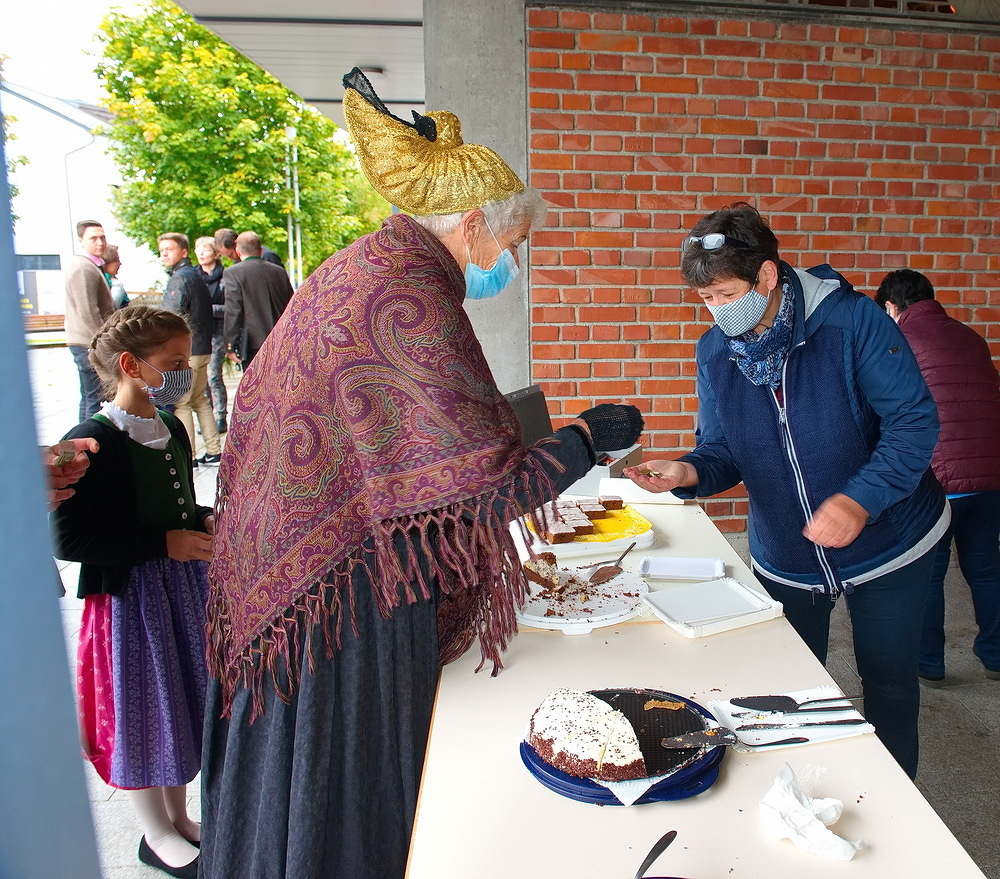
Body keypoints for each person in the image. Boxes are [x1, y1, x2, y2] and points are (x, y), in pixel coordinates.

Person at [199, 67, 644, 879]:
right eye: (512, 246)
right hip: (339, 594)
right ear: (472, 225)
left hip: (293, 566)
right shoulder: (411, 295)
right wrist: (586, 437)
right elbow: (488, 490)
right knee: (346, 780)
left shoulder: (369, 264)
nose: (512, 264)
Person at [624, 202, 947, 779]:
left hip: (892, 541)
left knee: (888, 679)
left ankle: (898, 796)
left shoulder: (851, 322)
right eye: (706, 299)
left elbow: (913, 422)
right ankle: (797, 791)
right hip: (787, 553)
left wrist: (859, 499)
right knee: (791, 685)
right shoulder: (715, 352)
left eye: (727, 294)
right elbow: (722, 449)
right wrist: (687, 472)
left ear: (768, 275)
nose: (718, 310)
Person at [51, 305, 214, 879]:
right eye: (173, 361)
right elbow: (68, 537)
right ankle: (154, 832)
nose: (184, 371)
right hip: (130, 601)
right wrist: (162, 543)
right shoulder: (90, 442)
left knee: (178, 702)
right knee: (142, 707)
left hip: (180, 591)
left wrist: (201, 519)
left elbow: (178, 500)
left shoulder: (170, 426)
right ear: (130, 364)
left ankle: (179, 817)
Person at [876, 269, 1000, 685]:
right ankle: (995, 656)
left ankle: (928, 663)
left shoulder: (897, 340)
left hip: (939, 479)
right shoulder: (972, 338)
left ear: (890, 307)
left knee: (928, 575)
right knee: (985, 567)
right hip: (990, 475)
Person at [158, 232, 222, 465]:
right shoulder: (195, 275)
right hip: (202, 347)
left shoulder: (181, 278)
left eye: (169, 249)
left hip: (190, 351)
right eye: (162, 250)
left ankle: (189, 455)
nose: (164, 254)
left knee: (183, 403)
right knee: (199, 400)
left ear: (183, 252)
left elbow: (169, 317)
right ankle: (214, 449)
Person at [221, 230, 294, 367]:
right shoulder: (279, 272)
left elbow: (233, 311)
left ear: (238, 252)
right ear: (260, 250)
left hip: (253, 343)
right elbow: (291, 304)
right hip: (281, 338)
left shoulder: (233, 273)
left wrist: (230, 344)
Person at [65, 220, 114, 419]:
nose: (100, 242)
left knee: (89, 397)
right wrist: (104, 343)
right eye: (93, 238)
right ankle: (89, 437)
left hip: (86, 341)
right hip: (87, 342)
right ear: (81, 240)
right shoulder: (83, 268)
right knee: (95, 399)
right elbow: (88, 311)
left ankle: (83, 437)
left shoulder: (91, 265)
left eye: (102, 237)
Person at [193, 236, 228, 434]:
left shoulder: (225, 276)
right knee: (201, 379)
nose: (201, 253)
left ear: (215, 253)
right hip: (198, 333)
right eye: (198, 250)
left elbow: (230, 307)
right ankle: (206, 418)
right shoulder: (193, 276)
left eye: (205, 250)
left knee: (214, 375)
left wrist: (207, 309)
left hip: (218, 331)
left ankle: (220, 416)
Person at [213, 226, 284, 267]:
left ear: (236, 245)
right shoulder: (237, 262)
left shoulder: (267, 256)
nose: (230, 259)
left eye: (230, 255)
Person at [102, 243, 130, 309]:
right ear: (107, 260)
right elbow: (111, 308)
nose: (120, 263)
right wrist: (117, 285)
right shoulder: (114, 284)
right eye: (117, 260)